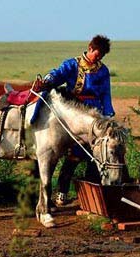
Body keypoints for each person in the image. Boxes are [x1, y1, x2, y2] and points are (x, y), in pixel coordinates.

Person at [39, 34, 116, 206]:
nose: (100, 57)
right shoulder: (72, 64)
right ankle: (62, 192)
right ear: (90, 48)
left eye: (102, 55)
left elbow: (105, 94)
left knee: (95, 155)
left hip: (95, 114)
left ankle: (91, 196)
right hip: (75, 113)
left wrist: (108, 114)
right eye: (98, 53)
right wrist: (47, 80)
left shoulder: (103, 71)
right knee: (73, 156)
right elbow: (57, 75)